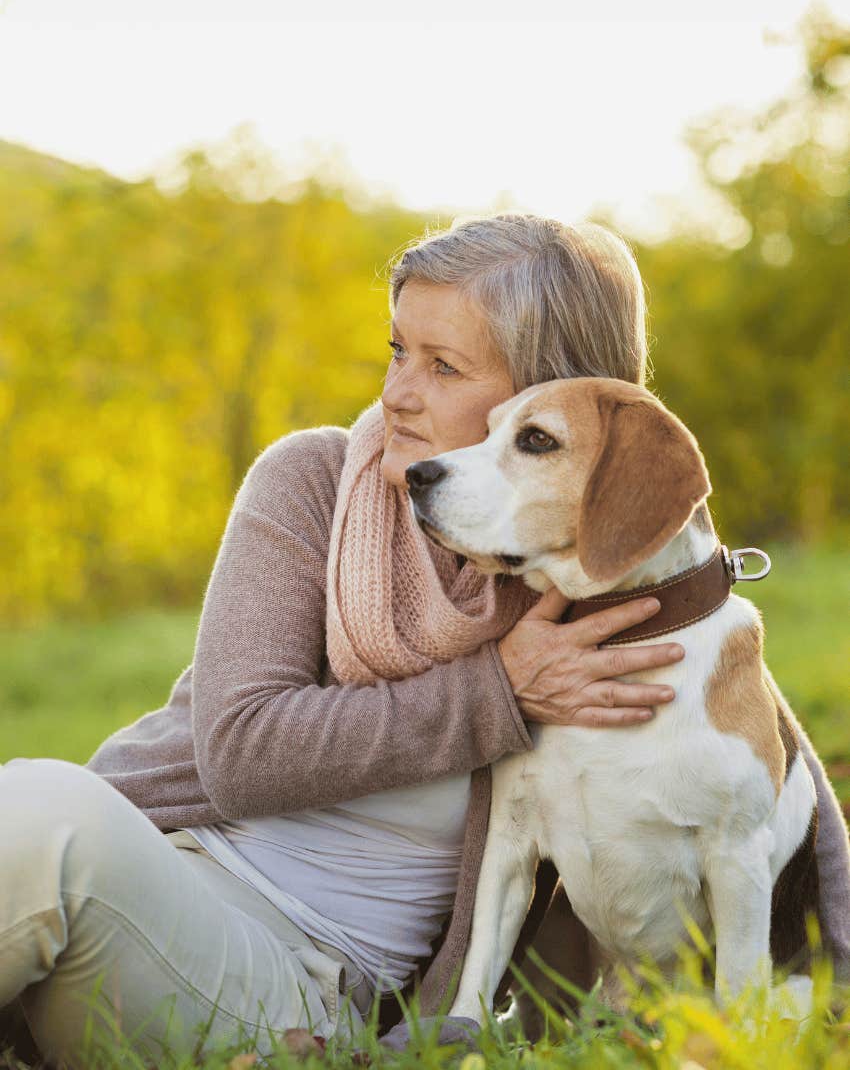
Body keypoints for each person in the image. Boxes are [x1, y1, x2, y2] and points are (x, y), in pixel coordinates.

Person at [1, 214, 848, 1068]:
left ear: (548, 390)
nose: (398, 392)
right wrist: (499, 693)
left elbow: (769, 797)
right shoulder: (315, 482)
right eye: (397, 349)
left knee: (46, 819)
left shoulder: (599, 587)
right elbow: (240, 748)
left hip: (295, 981)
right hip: (157, 871)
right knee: (36, 812)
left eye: (443, 365)